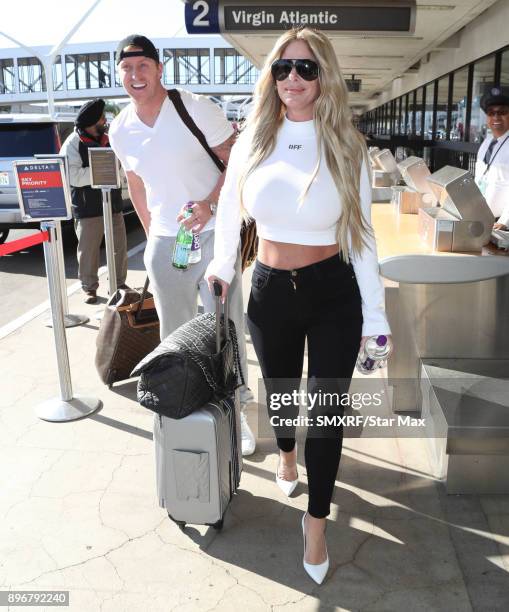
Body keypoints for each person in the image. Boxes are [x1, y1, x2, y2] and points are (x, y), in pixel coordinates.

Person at [206, 27, 392, 584]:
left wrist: (376, 316)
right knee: (282, 393)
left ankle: (316, 522)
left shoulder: (347, 145)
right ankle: (286, 453)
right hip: (268, 288)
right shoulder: (253, 139)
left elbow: (362, 237)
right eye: (283, 68)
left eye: (306, 69)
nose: (292, 78)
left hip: (333, 291)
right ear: (271, 76)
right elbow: (229, 216)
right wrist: (220, 267)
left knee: (327, 412)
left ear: (323, 77)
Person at [108, 35, 256, 455]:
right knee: (173, 335)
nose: (135, 76)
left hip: (214, 237)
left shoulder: (194, 107)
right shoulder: (121, 128)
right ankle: (184, 404)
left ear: (158, 69)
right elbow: (136, 184)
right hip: (168, 244)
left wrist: (211, 205)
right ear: (120, 75)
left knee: (224, 327)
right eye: (127, 69)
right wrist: (154, 235)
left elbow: (236, 163)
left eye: (143, 67)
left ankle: (237, 408)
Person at [60, 99, 128, 304]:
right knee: (88, 250)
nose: (104, 121)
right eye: (101, 118)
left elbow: (122, 167)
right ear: (91, 122)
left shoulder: (109, 139)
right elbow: (72, 175)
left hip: (113, 204)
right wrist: (102, 172)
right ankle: (89, 287)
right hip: (88, 207)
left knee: (119, 246)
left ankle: (118, 284)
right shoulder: (73, 142)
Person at [475, 87, 509, 229]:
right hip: (481, 219)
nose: (496, 117)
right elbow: (479, 179)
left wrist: (504, 222)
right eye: (491, 113)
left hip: (501, 224)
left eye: (502, 112)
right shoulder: (486, 143)